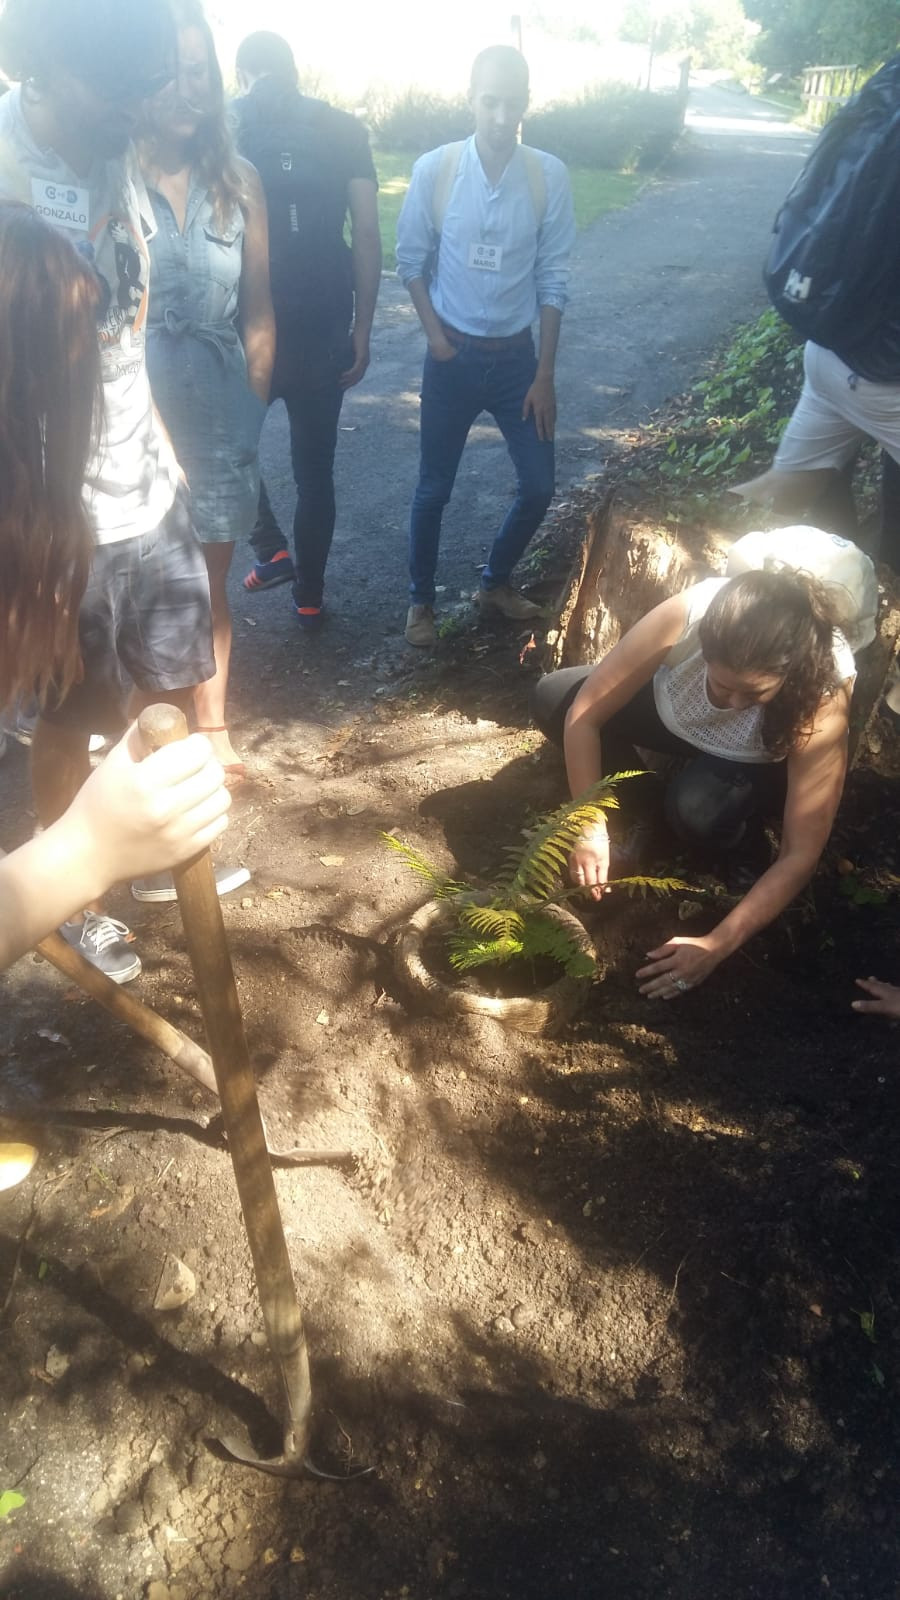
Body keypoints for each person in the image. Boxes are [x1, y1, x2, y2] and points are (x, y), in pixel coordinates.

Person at [0, 0, 226, 981]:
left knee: (170, 691)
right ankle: (70, 893)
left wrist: (166, 456)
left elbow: (124, 340)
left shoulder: (115, 158)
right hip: (64, 528)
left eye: (147, 88)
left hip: (150, 496)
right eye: (118, 90)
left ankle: (157, 858)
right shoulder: (5, 181)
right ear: (42, 67)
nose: (137, 112)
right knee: (72, 717)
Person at [533, 568, 853, 999]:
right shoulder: (689, 615)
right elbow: (584, 715)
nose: (734, 704)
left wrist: (716, 945)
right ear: (704, 647)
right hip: (677, 715)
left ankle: (741, 844)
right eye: (722, 686)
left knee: (696, 811)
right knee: (554, 697)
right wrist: (589, 824)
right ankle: (643, 807)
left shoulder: (822, 691)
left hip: (760, 752)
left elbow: (801, 854)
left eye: (753, 693)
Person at [395, 44, 575, 649]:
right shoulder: (437, 170)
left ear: (526, 103)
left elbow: (554, 278)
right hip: (453, 359)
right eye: (490, 101)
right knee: (434, 488)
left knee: (540, 485)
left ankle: (493, 582)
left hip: (519, 362)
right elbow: (410, 261)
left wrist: (545, 373)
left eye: (512, 103)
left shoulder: (546, 176)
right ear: (471, 99)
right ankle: (420, 602)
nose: (501, 116)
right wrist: (436, 339)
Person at [138, 0, 275, 783]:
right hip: (133, 416)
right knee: (143, 584)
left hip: (222, 416)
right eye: (171, 73)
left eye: (200, 72)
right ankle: (140, 732)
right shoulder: (114, 174)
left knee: (208, 584)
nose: (186, 89)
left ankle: (213, 729)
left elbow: (260, 307)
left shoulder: (241, 180)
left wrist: (253, 404)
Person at [235, 29, 382, 630]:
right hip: (325, 325)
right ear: (295, 73)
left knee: (228, 448)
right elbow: (367, 235)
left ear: (245, 76)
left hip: (254, 328)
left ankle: (269, 548)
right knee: (314, 470)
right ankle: (310, 596)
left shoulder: (230, 129)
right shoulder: (344, 130)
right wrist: (364, 328)